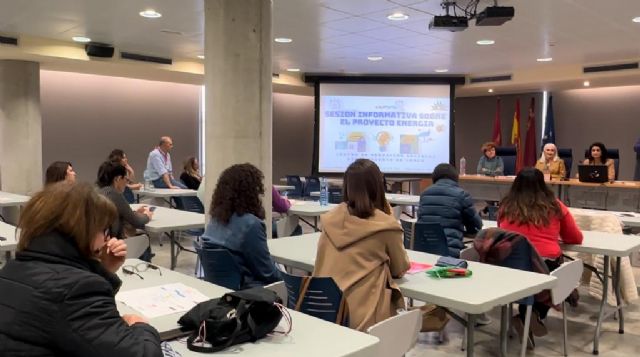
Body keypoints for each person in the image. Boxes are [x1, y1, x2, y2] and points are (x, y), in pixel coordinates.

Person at [0, 182, 162, 356]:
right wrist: (140, 325)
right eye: (105, 230)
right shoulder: (76, 291)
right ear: (88, 231)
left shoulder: (11, 269)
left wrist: (104, 269)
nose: (107, 240)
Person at [313, 159, 410, 332]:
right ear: (379, 186)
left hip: (322, 313)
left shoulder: (331, 219)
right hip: (363, 322)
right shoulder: (386, 225)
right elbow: (399, 268)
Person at [498, 167, 583, 338]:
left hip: (509, 268)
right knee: (554, 276)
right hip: (545, 266)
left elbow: (501, 230)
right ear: (542, 184)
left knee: (532, 274)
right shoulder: (555, 205)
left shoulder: (505, 206)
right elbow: (575, 238)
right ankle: (531, 315)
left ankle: (527, 317)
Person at [200, 163, 281, 288]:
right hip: (249, 294)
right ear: (251, 192)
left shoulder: (214, 220)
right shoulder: (251, 225)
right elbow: (268, 274)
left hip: (219, 291)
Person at [417, 163, 483, 258]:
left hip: (424, 250)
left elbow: (421, 221)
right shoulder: (462, 195)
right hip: (449, 252)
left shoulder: (424, 194)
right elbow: (477, 225)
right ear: (455, 177)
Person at [96, 161, 153, 240]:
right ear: (118, 179)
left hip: (99, 242)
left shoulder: (97, 192)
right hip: (113, 243)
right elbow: (136, 222)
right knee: (143, 237)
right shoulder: (114, 194)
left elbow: (123, 213)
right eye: (126, 179)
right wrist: (147, 216)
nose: (126, 183)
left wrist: (135, 212)